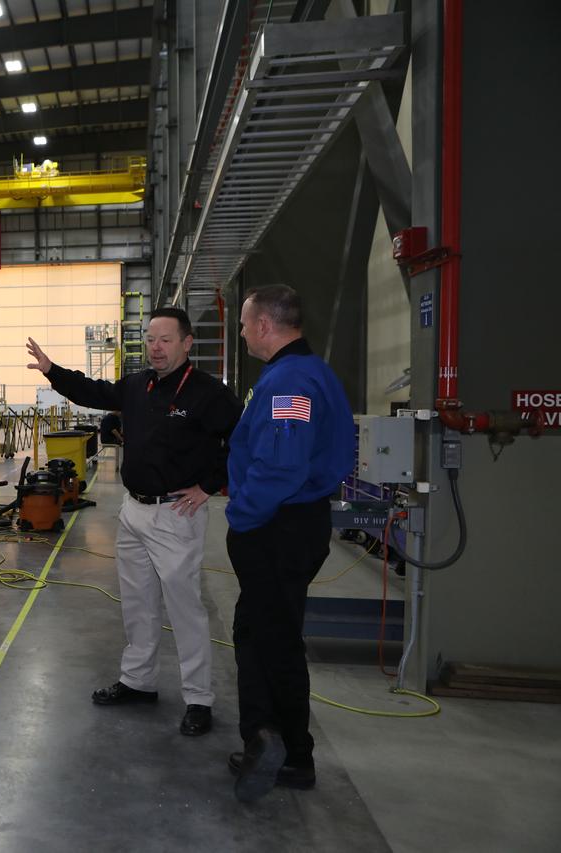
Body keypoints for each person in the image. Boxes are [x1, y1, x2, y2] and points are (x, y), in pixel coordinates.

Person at [26, 308, 241, 736]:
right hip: (133, 512)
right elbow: (93, 391)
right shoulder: (138, 386)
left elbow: (242, 436)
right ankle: (139, 680)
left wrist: (210, 485)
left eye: (165, 339)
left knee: (185, 610)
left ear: (186, 343)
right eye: (150, 339)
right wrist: (53, 371)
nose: (156, 348)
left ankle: (198, 698)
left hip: (177, 514)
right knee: (138, 602)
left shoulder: (207, 393)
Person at [224, 285, 355, 803]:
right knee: (255, 629)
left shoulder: (290, 382)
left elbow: (280, 465)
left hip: (278, 525)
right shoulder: (302, 372)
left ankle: (292, 754)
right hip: (287, 522)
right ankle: (265, 738)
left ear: (263, 326)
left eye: (243, 323)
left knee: (273, 640)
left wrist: (242, 516)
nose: (240, 332)